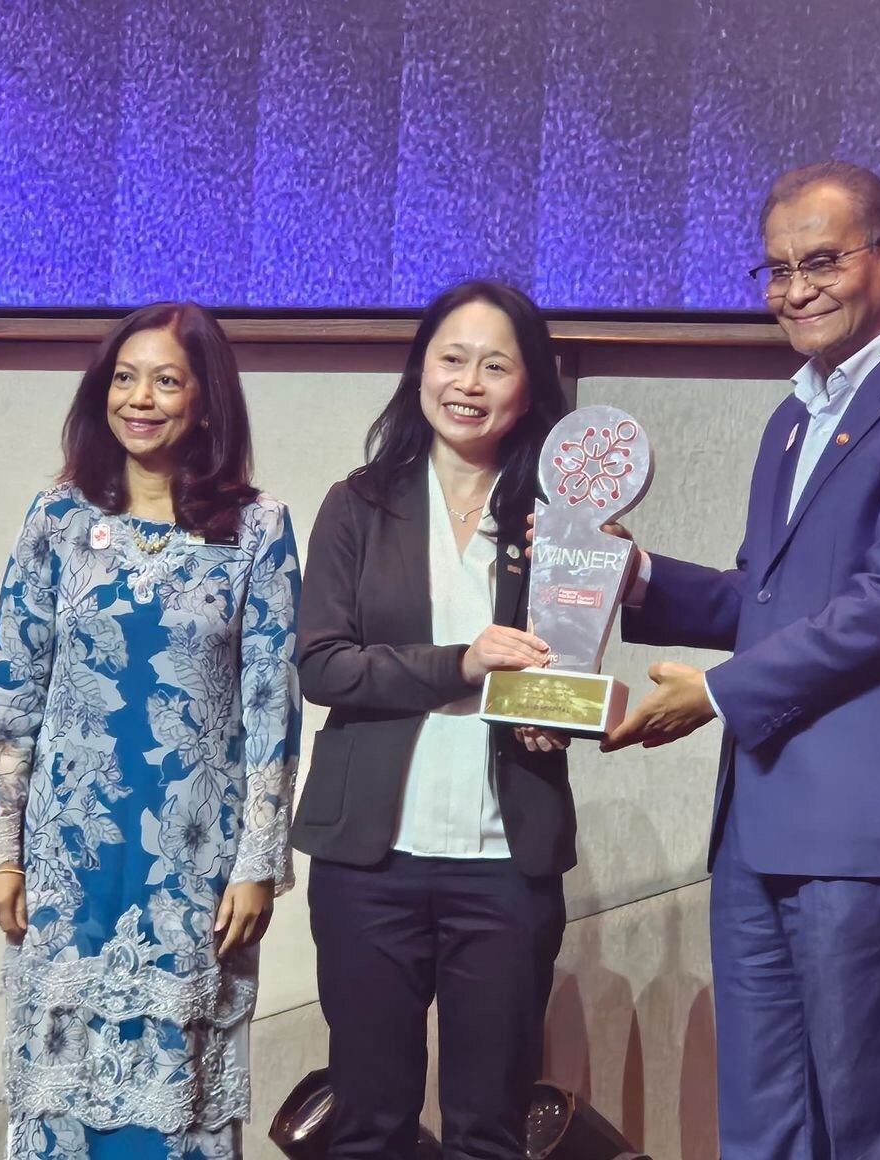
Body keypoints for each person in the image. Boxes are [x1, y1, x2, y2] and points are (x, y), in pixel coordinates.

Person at [604, 161, 880, 1157]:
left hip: (864, 827)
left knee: (864, 1124)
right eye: (777, 270)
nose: (795, 290)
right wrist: (635, 575)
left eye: (821, 262)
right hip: (759, 823)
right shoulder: (794, 417)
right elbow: (768, 598)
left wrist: (716, 692)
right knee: (762, 1124)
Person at [0, 302, 302, 1160]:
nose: (139, 399)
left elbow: (273, 708)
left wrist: (258, 864)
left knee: (177, 1110)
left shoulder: (259, 529)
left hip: (193, 867)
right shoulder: (58, 519)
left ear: (206, 402)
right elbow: (12, 690)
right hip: (67, 862)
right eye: (124, 378)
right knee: (61, 1101)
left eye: (165, 381)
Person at [292, 280, 574, 1158]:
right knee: (369, 1123)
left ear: (529, 386)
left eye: (496, 365)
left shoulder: (556, 524)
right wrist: (461, 663)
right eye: (452, 359)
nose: (469, 383)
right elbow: (323, 665)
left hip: (506, 862)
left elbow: (570, 669)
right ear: (420, 369)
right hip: (370, 864)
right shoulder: (359, 505)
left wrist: (555, 714)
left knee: (489, 1129)